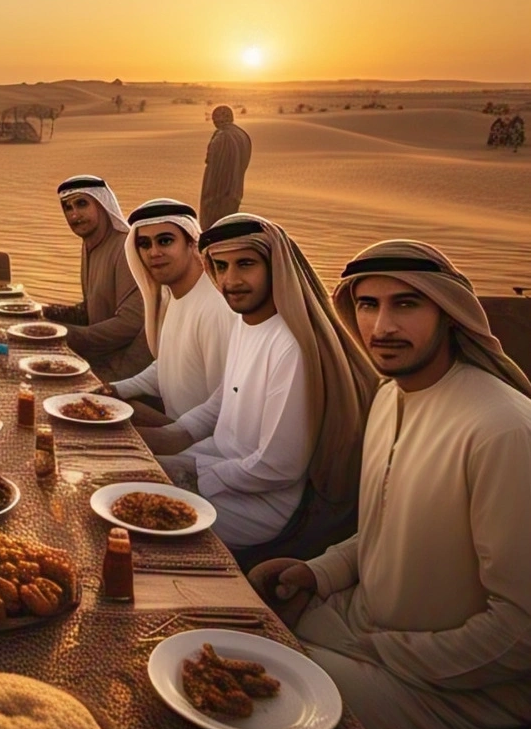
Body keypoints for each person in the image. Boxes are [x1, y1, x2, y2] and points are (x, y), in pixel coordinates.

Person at [250, 240, 531, 729]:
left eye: (406, 304)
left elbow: (520, 630)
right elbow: (388, 525)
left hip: (457, 697)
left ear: (448, 314)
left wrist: (377, 652)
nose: (381, 328)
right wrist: (319, 573)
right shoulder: (389, 396)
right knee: (227, 631)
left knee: (254, 692)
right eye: (367, 305)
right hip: (364, 628)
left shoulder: (501, 430)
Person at [142, 213, 377, 550]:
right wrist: (170, 436)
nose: (231, 280)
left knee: (134, 515)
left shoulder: (290, 346)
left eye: (246, 264)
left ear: (274, 267)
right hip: (219, 466)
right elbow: (221, 402)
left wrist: (194, 474)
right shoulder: (245, 321)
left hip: (261, 506)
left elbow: (277, 467)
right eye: (221, 267)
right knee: (125, 472)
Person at [101, 198, 236, 426]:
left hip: (199, 444)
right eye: (144, 244)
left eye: (165, 241)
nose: (153, 252)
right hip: (175, 426)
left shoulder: (216, 308)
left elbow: (226, 404)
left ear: (192, 244)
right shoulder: (174, 295)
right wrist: (114, 390)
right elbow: (169, 366)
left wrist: (173, 441)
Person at [42, 175, 150, 381]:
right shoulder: (91, 244)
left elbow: (130, 324)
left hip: (123, 369)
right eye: (68, 207)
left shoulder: (126, 248)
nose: (74, 215)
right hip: (96, 354)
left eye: (81, 204)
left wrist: (60, 334)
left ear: (102, 205)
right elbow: (93, 309)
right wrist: (41, 313)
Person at [199, 105, 252, 230]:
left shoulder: (222, 137)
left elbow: (212, 163)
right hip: (235, 192)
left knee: (215, 231)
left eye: (215, 119)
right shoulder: (242, 134)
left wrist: (210, 197)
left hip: (218, 196)